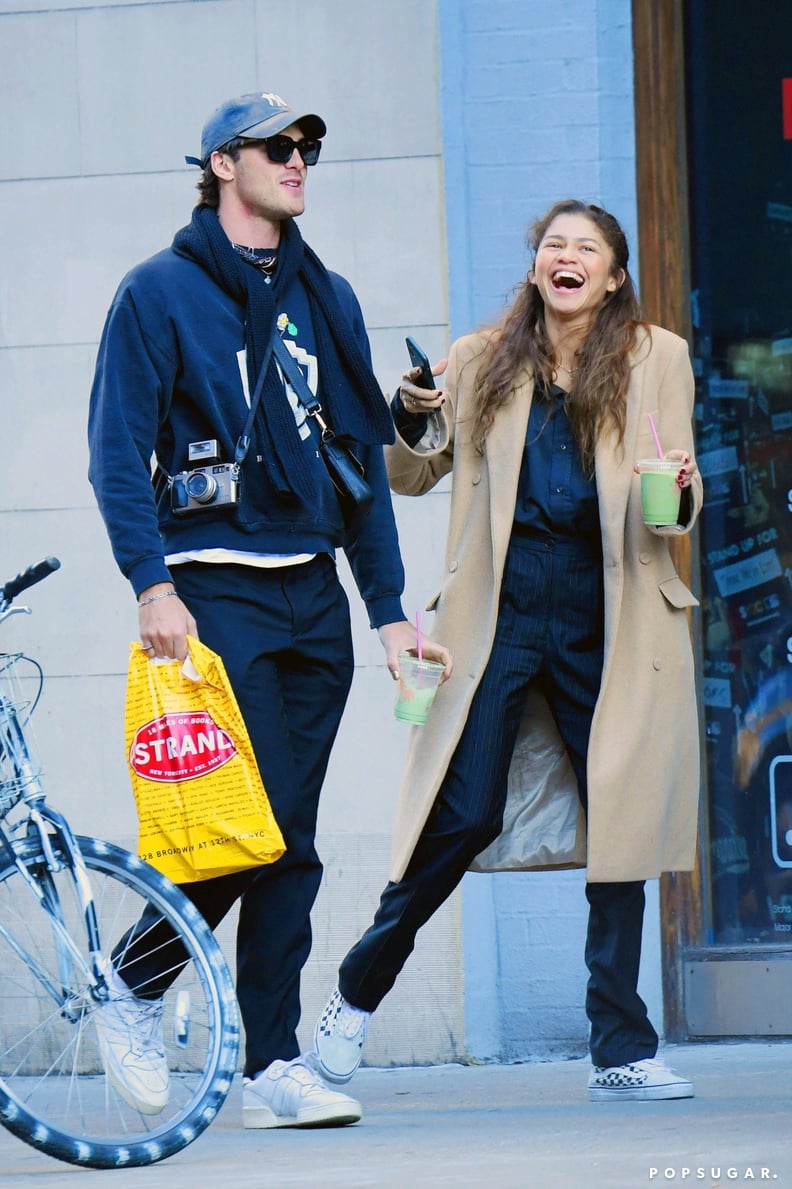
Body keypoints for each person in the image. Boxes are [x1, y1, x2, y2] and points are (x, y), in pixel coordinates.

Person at [87, 91, 449, 1129]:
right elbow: (119, 450)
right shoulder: (157, 292)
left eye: (309, 149)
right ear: (218, 165)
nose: (299, 162)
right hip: (209, 591)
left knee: (289, 833)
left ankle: (264, 1067)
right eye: (278, 148)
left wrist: (386, 611)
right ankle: (138, 984)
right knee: (241, 832)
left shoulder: (324, 296)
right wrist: (152, 584)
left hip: (310, 595)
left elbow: (364, 469)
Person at [309, 199, 703, 1102]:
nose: (566, 259)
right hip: (502, 615)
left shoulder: (659, 359)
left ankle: (621, 1047)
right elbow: (411, 471)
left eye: (586, 250)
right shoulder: (485, 357)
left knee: (621, 826)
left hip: (612, 617)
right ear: (538, 269)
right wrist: (413, 409)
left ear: (612, 276)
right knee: (462, 812)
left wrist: (679, 489)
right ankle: (351, 1002)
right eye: (553, 247)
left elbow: (679, 501)